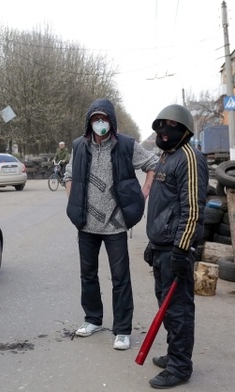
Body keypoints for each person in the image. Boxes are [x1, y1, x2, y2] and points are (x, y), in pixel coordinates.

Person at [64, 98, 158, 351]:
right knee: (88, 275)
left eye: (103, 119)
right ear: (89, 122)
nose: (99, 123)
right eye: (95, 119)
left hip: (116, 225)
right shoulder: (79, 146)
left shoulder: (125, 145)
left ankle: (122, 330)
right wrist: (73, 198)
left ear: (111, 121)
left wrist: (143, 193)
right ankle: (92, 319)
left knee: (120, 278)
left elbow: (153, 164)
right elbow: (69, 174)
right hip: (86, 225)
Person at [144, 104, 208, 389]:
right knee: (166, 307)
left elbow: (192, 209)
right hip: (161, 246)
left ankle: (181, 367)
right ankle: (174, 355)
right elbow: (161, 207)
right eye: (161, 125)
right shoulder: (165, 157)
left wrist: (182, 250)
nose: (164, 131)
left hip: (176, 249)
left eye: (171, 125)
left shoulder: (189, 158)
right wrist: (152, 242)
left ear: (184, 130)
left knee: (178, 309)